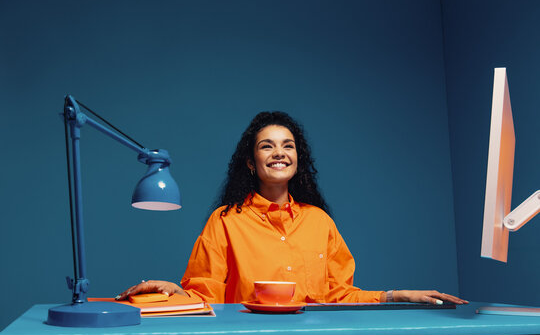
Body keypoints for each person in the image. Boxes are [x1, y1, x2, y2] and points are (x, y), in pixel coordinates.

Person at [117, 111, 467, 306]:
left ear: (298, 159)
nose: (279, 153)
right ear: (251, 164)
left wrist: (397, 295)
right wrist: (170, 289)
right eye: (267, 146)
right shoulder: (225, 221)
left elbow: (338, 294)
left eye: (288, 146)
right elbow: (205, 295)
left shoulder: (319, 222)